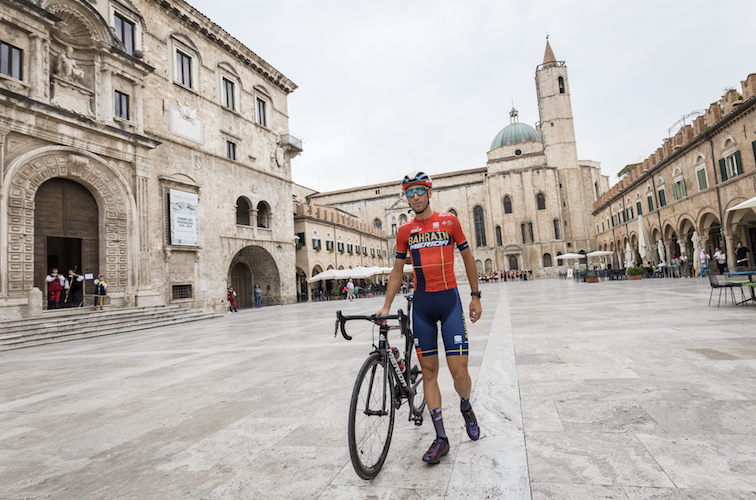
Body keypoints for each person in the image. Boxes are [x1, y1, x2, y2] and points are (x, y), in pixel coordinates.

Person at [375, 172, 482, 466]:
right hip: (422, 306)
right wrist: (386, 306)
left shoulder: (449, 222)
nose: (416, 197)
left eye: (420, 191)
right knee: (430, 373)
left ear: (429, 192)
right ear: (406, 197)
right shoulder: (405, 231)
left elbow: (468, 258)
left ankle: (465, 405)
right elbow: (397, 271)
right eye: (410, 193)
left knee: (459, 372)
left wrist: (475, 296)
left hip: (449, 302)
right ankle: (441, 438)